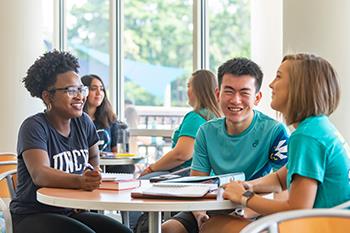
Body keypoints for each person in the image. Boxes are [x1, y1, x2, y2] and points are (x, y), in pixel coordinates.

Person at [200, 53, 350, 233]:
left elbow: (298, 210)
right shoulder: (317, 127)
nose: (271, 84)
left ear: (298, 86)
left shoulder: (307, 137)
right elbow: (280, 179)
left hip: (324, 228)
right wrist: (249, 185)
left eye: (278, 77)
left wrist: (245, 197)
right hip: (331, 224)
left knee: (212, 226)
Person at [162, 57, 290, 233]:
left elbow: (282, 190)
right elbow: (197, 184)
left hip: (254, 208)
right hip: (212, 206)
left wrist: (245, 209)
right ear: (217, 94)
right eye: (229, 91)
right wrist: (200, 214)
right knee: (169, 229)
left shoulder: (275, 131)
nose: (236, 100)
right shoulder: (206, 131)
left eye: (244, 93)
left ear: (257, 98)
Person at [10, 50, 132, 233]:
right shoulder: (34, 127)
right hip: (33, 214)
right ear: (47, 96)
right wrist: (80, 182)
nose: (80, 96)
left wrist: (92, 176)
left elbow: (93, 159)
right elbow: (40, 174)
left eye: (81, 89)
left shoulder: (84, 122)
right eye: (70, 90)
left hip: (70, 210)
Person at [139, 69, 221, 179]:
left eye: (188, 86)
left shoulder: (195, 118)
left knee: (142, 180)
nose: (187, 91)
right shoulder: (215, 118)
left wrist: (151, 168)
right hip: (209, 177)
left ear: (197, 90)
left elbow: (181, 155)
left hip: (184, 175)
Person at [81, 74, 134, 173]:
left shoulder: (110, 119)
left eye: (101, 89)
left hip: (108, 166)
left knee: (127, 167)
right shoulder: (76, 120)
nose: (99, 93)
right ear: (84, 92)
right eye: (93, 89)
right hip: (86, 166)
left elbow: (117, 152)